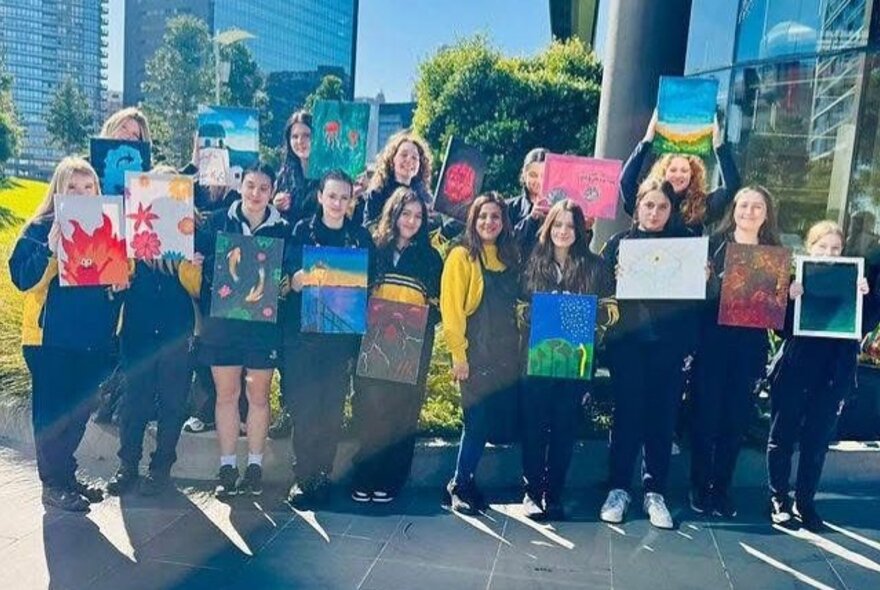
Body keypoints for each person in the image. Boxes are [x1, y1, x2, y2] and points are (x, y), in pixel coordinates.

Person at [9, 157, 123, 511]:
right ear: (58, 188)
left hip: (93, 339)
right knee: (53, 412)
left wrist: (120, 282)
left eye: (88, 187)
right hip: (51, 340)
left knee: (79, 412)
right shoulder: (40, 229)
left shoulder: (107, 227)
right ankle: (52, 483)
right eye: (72, 187)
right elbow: (22, 280)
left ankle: (66, 474)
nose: (80, 193)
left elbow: (114, 282)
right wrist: (51, 250)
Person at [599, 179, 702, 530]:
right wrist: (612, 279)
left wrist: (704, 279)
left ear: (671, 211)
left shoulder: (686, 246)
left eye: (662, 207)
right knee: (626, 416)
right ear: (637, 207)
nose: (654, 212)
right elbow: (600, 294)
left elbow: (696, 304)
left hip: (669, 348)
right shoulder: (618, 245)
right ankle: (618, 490)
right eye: (648, 205)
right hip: (627, 347)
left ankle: (654, 491)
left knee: (661, 419)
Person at [767, 221, 870, 532]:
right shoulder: (794, 280)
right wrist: (789, 298)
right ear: (809, 249)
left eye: (835, 248)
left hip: (832, 375)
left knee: (816, 443)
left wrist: (865, 296)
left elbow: (861, 327)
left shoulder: (852, 282)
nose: (828, 253)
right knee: (782, 438)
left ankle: (805, 502)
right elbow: (779, 327)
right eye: (822, 246)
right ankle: (778, 499)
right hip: (795, 370)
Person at [106, 166, 202, 497]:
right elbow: (119, 278)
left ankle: (161, 468)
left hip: (178, 329)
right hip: (139, 328)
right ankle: (127, 466)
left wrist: (191, 264)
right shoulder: (132, 230)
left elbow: (199, 289)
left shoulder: (192, 232)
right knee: (136, 399)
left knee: (174, 402)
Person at [194, 162, 289, 498]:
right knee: (227, 395)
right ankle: (227, 465)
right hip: (222, 326)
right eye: (250, 185)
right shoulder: (218, 221)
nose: (255, 194)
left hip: (262, 329)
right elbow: (197, 260)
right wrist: (196, 262)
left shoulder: (283, 230)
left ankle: (255, 467)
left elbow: (288, 279)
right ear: (241, 186)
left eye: (264, 188)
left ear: (272, 192)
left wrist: (287, 284)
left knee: (258, 397)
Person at [519, 199, 617, 520]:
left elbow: (612, 311)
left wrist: (583, 313)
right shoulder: (532, 261)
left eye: (570, 225)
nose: (563, 231)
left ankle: (554, 494)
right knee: (533, 428)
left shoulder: (595, 266)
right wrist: (538, 313)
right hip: (537, 360)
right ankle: (532, 492)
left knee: (564, 430)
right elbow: (516, 307)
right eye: (557, 224)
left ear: (580, 229)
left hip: (575, 362)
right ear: (549, 227)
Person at [282, 170, 375, 507]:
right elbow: (282, 279)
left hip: (340, 342)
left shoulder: (360, 238)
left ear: (352, 201)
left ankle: (322, 474)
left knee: (332, 410)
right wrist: (293, 281)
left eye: (344, 197)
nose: (337, 203)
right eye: (331, 196)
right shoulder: (300, 231)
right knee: (305, 410)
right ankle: (303, 477)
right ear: (320, 196)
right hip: (302, 340)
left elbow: (370, 286)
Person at [689, 186, 782, 518]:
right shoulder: (713, 246)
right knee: (706, 419)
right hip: (712, 346)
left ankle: (721, 489)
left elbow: (777, 316)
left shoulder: (774, 253)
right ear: (734, 209)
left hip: (749, 350)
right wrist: (706, 282)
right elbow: (697, 302)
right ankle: (700, 487)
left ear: (766, 213)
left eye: (757, 206)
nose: (749, 211)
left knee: (734, 422)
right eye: (743, 205)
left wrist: (790, 293)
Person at [349, 187, 443, 503]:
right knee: (369, 410)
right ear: (393, 213)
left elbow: (439, 308)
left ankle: (391, 480)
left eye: (418, 216)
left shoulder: (431, 258)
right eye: (406, 213)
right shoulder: (374, 249)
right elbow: (355, 294)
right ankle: (364, 476)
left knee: (401, 415)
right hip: (372, 343)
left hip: (410, 347)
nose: (412, 221)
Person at [441, 192, 521, 515]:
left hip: (505, 356)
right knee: (475, 423)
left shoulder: (510, 258)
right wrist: (458, 355)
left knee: (491, 424)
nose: (489, 222)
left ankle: (468, 481)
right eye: (483, 216)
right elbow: (452, 311)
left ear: (504, 223)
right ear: (473, 220)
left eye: (495, 217)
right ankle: (459, 484)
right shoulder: (461, 257)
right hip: (475, 355)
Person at [92, 107, 153, 425]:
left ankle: (115, 397)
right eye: (124, 130)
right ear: (110, 128)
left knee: (127, 336)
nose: (129, 138)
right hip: (94, 262)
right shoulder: (90, 173)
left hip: (133, 267)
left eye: (136, 136)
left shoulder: (145, 178)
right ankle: (102, 395)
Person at [620, 111, 740, 236]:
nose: (678, 175)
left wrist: (717, 144)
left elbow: (732, 185)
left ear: (692, 175)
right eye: (673, 170)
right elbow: (625, 182)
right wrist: (647, 141)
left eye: (684, 171)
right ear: (663, 173)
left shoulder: (701, 205)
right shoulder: (647, 200)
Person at [360, 131, 433, 228]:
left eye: (414, 158)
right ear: (392, 159)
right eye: (404, 155)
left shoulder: (425, 197)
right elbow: (368, 229)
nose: (409, 160)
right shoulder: (378, 194)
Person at [272, 110, 319, 226]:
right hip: (291, 239)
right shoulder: (284, 175)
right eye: (295, 136)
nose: (300, 141)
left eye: (306, 135)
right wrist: (275, 204)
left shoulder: (330, 175)